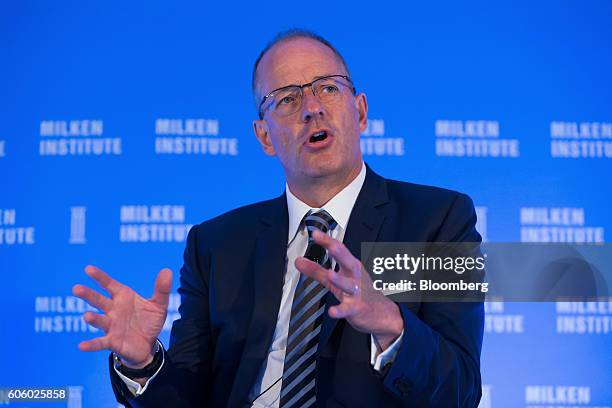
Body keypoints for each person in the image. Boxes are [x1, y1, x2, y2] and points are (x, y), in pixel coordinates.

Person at [73, 29, 484, 407]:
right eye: (286, 99)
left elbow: (461, 390)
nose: (312, 109)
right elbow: (185, 398)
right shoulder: (217, 244)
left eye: (327, 87)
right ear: (265, 136)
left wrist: (393, 326)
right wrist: (144, 363)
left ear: (359, 112)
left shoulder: (438, 220)